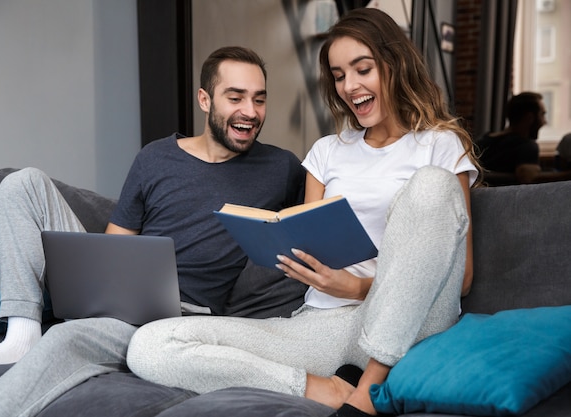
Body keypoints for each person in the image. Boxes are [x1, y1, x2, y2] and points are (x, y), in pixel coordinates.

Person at [126, 8, 479, 417]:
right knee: (152, 344)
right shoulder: (326, 153)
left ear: (394, 65)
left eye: (362, 69)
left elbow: (463, 277)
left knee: (431, 183)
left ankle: (367, 390)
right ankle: (324, 389)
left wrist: (359, 288)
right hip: (326, 326)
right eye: (339, 75)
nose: (350, 86)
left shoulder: (441, 146)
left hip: (412, 322)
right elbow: (306, 240)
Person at [0, 46, 306, 416]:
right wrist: (100, 287)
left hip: (178, 319)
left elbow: (315, 221)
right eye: (236, 97)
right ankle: (21, 332)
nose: (250, 111)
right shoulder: (155, 157)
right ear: (205, 99)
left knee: (66, 338)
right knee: (21, 183)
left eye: (259, 99)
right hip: (115, 293)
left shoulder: (282, 168)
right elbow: (117, 241)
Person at [477, 92, 545, 182]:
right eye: (542, 115)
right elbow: (529, 179)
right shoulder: (527, 146)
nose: (544, 121)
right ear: (530, 118)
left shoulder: (482, 141)